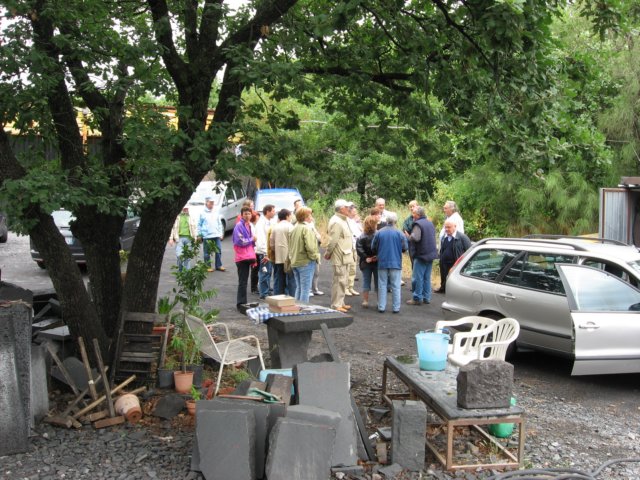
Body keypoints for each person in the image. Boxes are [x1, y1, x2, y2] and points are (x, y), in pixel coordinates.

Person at [371, 212, 407, 314]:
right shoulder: (400, 233)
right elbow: (405, 247)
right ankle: (396, 308)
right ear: (395, 221)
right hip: (395, 262)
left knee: (382, 284)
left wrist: (379, 252)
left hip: (382, 261)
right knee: (396, 285)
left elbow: (373, 247)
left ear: (386, 221)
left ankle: (381, 306)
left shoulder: (379, 232)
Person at [325, 199, 355, 313]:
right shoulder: (337, 221)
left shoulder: (342, 220)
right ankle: (336, 305)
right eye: (347, 207)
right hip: (339, 256)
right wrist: (328, 253)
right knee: (339, 281)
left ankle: (340, 302)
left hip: (345, 255)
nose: (349, 209)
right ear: (342, 209)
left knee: (343, 280)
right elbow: (332, 241)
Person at [406, 206, 438, 305]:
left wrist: (408, 237)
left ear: (418, 215)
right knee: (426, 278)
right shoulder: (430, 223)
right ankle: (426, 297)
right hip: (431, 253)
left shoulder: (418, 224)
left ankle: (417, 298)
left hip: (421, 254)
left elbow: (416, 238)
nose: (413, 215)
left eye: (414, 213)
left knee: (417, 278)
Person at [288, 207, 321, 303]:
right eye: (310, 215)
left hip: (295, 261)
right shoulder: (307, 229)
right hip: (305, 262)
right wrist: (315, 257)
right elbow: (310, 247)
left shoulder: (294, 228)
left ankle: (297, 308)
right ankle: (303, 309)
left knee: (299, 287)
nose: (311, 217)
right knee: (305, 290)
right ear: (306, 217)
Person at [232, 206, 257, 310]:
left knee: (245, 281)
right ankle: (240, 303)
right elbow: (240, 241)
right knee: (242, 281)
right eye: (245, 214)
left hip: (248, 256)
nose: (247, 215)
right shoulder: (239, 225)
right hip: (241, 257)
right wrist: (252, 239)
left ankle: (243, 302)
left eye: (249, 214)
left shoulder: (249, 225)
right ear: (242, 215)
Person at [438, 219, 471, 293]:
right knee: (444, 276)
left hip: (455, 263)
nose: (446, 229)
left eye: (449, 227)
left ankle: (453, 292)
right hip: (444, 263)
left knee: (453, 279)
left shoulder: (462, 237)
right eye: (445, 227)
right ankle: (443, 289)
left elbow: (469, 251)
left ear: (455, 226)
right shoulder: (445, 237)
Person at [270, 209, 296, 295]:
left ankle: (278, 298)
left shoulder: (275, 227)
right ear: (287, 216)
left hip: (279, 258)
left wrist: (277, 251)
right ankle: (292, 298)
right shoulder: (291, 227)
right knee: (291, 279)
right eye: (290, 215)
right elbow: (294, 242)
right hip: (290, 257)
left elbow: (272, 244)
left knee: (279, 279)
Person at [356, 215, 379, 309]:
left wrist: (366, 257)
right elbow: (381, 247)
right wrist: (377, 256)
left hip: (366, 262)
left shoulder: (361, 236)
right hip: (377, 261)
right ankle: (380, 301)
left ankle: (365, 301)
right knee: (378, 282)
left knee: (366, 281)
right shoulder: (378, 235)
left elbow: (359, 249)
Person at [198, 196, 225, 272]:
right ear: (206, 203)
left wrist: (221, 233)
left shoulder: (216, 212)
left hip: (216, 234)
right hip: (207, 235)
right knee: (207, 252)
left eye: (213, 203)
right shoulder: (202, 213)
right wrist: (199, 234)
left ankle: (218, 265)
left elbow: (219, 223)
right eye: (210, 203)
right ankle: (207, 266)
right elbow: (199, 225)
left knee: (218, 250)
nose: (212, 204)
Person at [255, 204, 276, 299]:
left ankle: (267, 290)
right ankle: (264, 293)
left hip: (268, 252)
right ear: (267, 212)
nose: (274, 212)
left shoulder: (269, 222)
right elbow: (261, 239)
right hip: (264, 253)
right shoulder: (261, 223)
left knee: (268, 272)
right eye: (273, 211)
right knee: (264, 272)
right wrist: (265, 253)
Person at [169, 205, 197, 272]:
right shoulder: (177, 217)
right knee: (179, 255)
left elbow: (195, 228)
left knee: (187, 256)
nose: (186, 210)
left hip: (189, 238)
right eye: (184, 208)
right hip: (179, 238)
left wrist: (195, 238)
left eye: (187, 208)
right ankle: (180, 269)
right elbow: (172, 228)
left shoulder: (191, 217)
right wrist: (171, 238)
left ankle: (187, 272)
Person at [346, 203, 362, 296]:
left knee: (353, 268)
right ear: (349, 211)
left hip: (355, 246)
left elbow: (360, 232)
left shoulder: (354, 221)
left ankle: (350, 287)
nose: (355, 213)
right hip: (348, 247)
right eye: (354, 211)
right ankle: (345, 287)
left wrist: (358, 223)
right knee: (348, 268)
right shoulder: (346, 221)